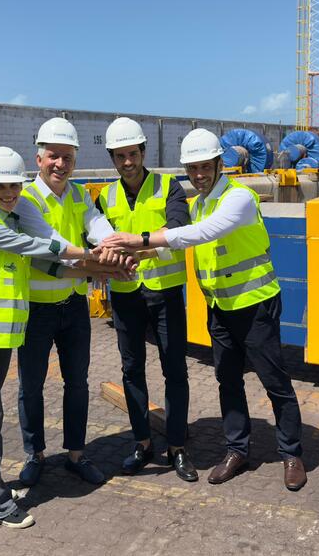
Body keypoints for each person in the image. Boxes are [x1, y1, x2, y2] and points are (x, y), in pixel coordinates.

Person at [101, 128, 307, 492]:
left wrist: (141, 239)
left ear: (219, 164)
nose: (198, 174)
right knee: (228, 381)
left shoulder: (238, 199)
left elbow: (200, 234)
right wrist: (132, 254)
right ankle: (237, 450)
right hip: (219, 307)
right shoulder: (200, 203)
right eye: (192, 168)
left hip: (254, 304)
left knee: (275, 382)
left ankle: (292, 454)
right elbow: (175, 243)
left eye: (204, 167)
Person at [0, 146, 129, 529]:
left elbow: (49, 265)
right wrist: (91, 254)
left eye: (13, 186)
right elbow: (38, 246)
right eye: (1, 187)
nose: (10, 193)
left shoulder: (11, 218)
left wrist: (103, 270)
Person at [17, 117, 122, 488]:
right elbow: (51, 248)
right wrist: (97, 263)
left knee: (77, 382)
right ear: (39, 158)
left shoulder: (78, 194)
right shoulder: (25, 199)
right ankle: (35, 455)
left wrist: (112, 248)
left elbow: (98, 224)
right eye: (54, 157)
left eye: (68, 157)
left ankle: (76, 454)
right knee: (30, 385)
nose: (61, 164)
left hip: (74, 308)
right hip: (36, 310)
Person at [96, 117, 197, 482]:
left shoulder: (170, 187)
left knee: (175, 371)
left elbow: (177, 232)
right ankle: (142, 442)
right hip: (125, 296)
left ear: (143, 152)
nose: (127, 162)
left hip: (166, 293)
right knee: (131, 371)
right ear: (112, 157)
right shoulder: (104, 197)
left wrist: (135, 243)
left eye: (132, 154)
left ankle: (177, 447)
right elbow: (99, 243)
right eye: (120, 156)